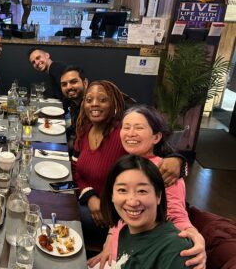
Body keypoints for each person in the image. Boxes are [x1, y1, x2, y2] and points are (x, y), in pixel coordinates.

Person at [88, 104, 206, 269]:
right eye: (126, 127)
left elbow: (176, 214)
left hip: (136, 256)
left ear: (156, 137)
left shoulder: (164, 170)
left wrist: (193, 235)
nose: (130, 133)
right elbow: (119, 213)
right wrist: (109, 242)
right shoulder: (127, 163)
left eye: (139, 128)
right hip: (119, 253)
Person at [72, 80, 184, 248]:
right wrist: (89, 196)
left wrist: (179, 160)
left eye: (103, 99)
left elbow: (161, 155)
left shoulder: (124, 135)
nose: (94, 104)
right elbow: (75, 169)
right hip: (96, 204)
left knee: (64, 215)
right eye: (89, 100)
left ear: (114, 103)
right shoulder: (84, 129)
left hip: (116, 213)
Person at [100, 155, 193, 268]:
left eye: (142, 191)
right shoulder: (124, 232)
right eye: (122, 190)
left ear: (158, 196)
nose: (132, 202)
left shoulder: (175, 250)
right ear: (112, 196)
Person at [59, 65, 88, 145]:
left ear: (85, 83)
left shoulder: (90, 107)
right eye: (64, 84)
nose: (68, 87)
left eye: (74, 82)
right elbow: (74, 130)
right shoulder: (74, 104)